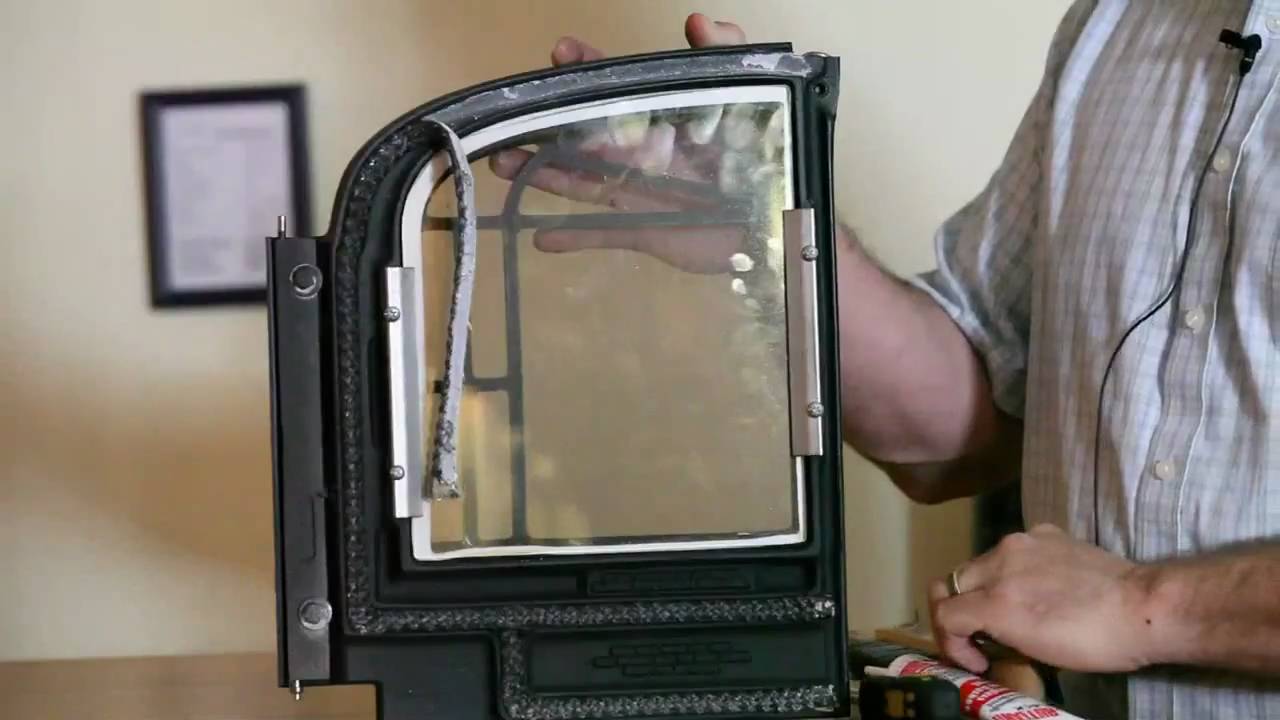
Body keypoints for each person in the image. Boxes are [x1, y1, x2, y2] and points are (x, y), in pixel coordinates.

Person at [498, 5, 1280, 719]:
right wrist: (769, 233)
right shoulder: (1119, 24)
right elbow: (959, 432)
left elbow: (1125, 606)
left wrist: (1144, 606)